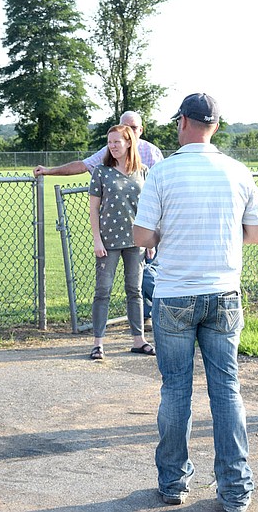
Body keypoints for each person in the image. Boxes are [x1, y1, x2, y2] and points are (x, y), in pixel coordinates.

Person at [134, 93, 258, 512]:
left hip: (174, 293)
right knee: (226, 389)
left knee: (176, 390)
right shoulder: (238, 171)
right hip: (224, 292)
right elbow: (256, 234)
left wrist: (165, 237)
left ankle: (173, 482)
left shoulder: (163, 172)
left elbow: (142, 237)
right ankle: (235, 489)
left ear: (183, 123)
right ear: (215, 125)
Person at [88, 124, 154, 360]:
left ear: (129, 143)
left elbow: (148, 208)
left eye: (117, 142)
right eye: (110, 142)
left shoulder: (143, 171)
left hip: (136, 242)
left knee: (134, 291)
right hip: (108, 242)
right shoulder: (101, 172)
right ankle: (98, 343)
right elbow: (94, 209)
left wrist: (150, 240)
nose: (112, 146)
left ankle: (139, 340)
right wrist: (97, 240)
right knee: (103, 291)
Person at [33, 111, 164, 177]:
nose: (129, 131)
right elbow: (83, 165)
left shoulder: (152, 152)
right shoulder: (110, 150)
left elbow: (162, 184)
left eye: (133, 128)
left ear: (141, 130)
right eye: (125, 127)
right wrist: (48, 171)